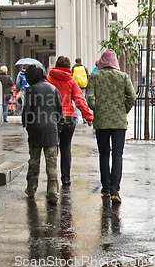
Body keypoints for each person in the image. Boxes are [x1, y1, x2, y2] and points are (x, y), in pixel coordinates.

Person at [86, 49, 136, 204]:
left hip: (101, 122)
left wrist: (96, 108)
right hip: (119, 122)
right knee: (117, 155)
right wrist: (124, 109)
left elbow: (90, 98)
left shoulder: (94, 76)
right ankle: (115, 189)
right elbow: (132, 96)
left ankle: (106, 188)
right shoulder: (123, 77)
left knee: (104, 154)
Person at [47, 56, 94, 186]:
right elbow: (79, 100)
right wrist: (88, 116)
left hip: (53, 117)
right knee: (66, 148)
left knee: (52, 148)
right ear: (69, 67)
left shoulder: (48, 79)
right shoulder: (71, 81)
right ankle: (66, 179)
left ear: (56, 65)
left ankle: (52, 179)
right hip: (69, 118)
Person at [22, 64, 64, 205]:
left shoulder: (30, 90)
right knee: (51, 164)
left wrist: (27, 127)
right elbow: (60, 113)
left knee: (34, 162)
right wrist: (58, 129)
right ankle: (53, 193)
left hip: (35, 130)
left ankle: (31, 190)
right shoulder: (54, 89)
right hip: (51, 131)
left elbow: (26, 112)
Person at [72, 58, 89, 123]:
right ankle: (84, 118)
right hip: (83, 87)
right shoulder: (84, 68)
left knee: (77, 102)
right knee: (83, 102)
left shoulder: (73, 68)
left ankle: (76, 119)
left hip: (76, 87)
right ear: (81, 61)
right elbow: (87, 76)